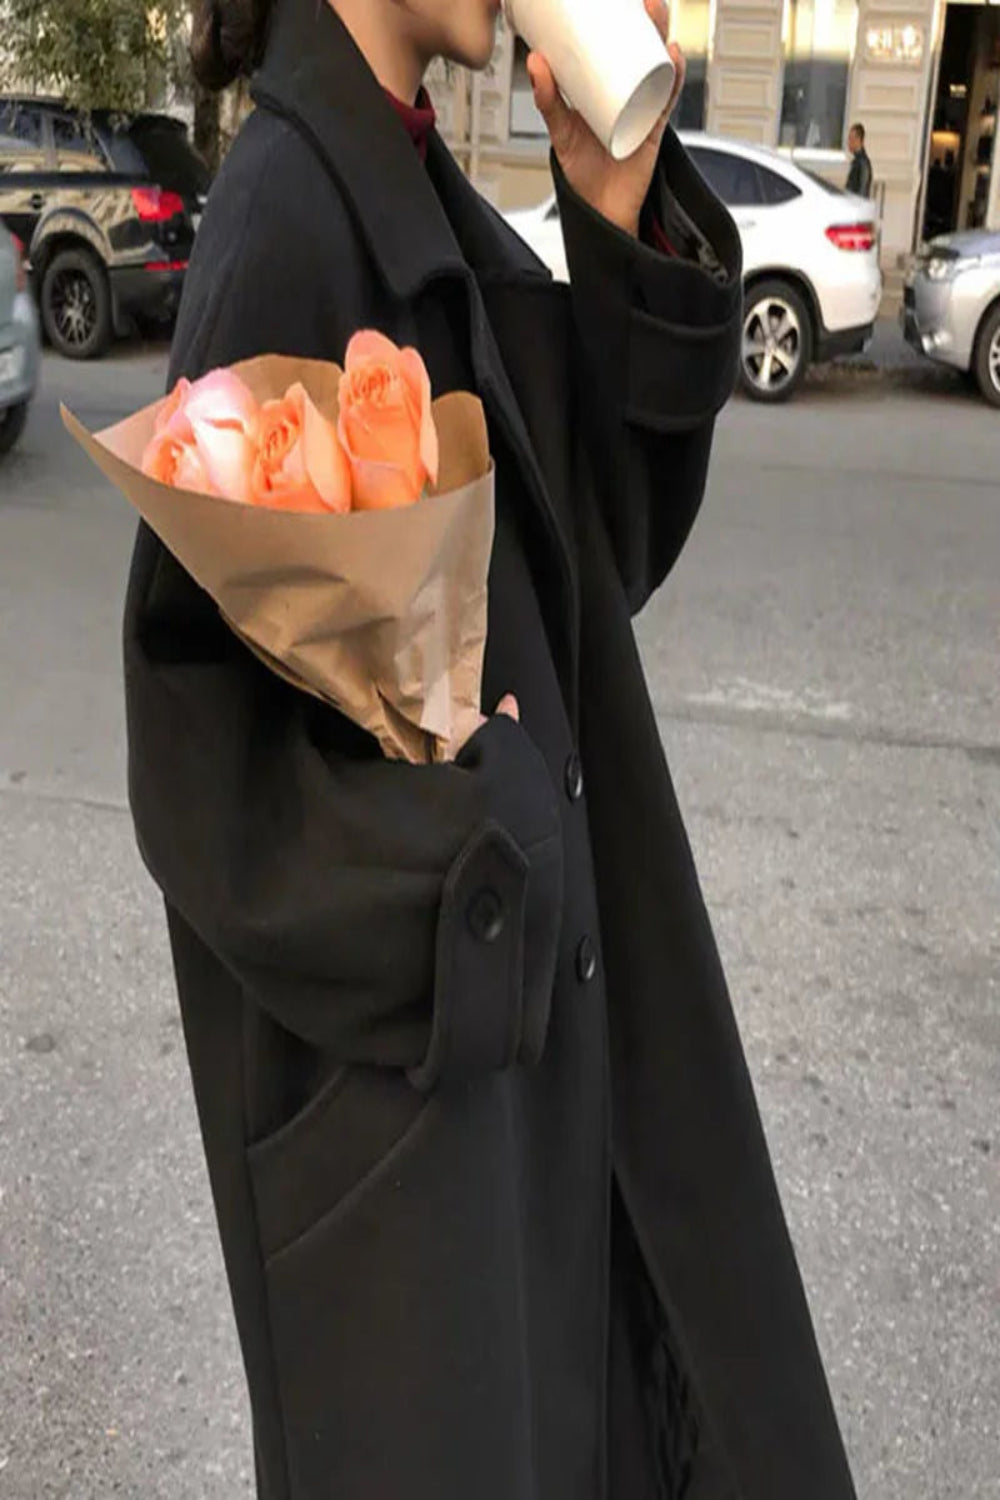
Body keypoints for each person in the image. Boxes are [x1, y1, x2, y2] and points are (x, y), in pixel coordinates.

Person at [123, 0, 859, 1496]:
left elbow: (600, 564)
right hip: (422, 1129)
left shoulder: (408, 185)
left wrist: (610, 210)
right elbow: (195, 743)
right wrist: (478, 843)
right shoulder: (289, 207)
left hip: (532, 1054)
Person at [846, 121, 874, 198]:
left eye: (851, 138)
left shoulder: (862, 162)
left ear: (858, 139)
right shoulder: (857, 161)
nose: (848, 142)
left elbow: (863, 190)